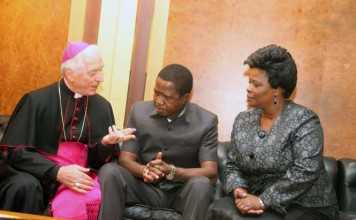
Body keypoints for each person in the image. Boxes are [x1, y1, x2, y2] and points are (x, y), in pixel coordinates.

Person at [0, 42, 135, 219]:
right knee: (24, 186)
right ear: (70, 74)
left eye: (101, 71)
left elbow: (97, 162)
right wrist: (57, 172)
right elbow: (16, 152)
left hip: (80, 175)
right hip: (37, 172)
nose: (100, 78)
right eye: (93, 73)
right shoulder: (36, 100)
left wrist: (105, 144)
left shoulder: (102, 107)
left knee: (90, 195)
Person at [207, 45, 338, 220]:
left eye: (256, 83)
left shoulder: (305, 120)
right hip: (260, 201)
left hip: (306, 204)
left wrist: (262, 201)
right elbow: (232, 164)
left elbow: (305, 171)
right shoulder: (242, 120)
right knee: (216, 208)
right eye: (249, 82)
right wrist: (238, 188)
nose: (249, 88)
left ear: (277, 90)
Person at [99, 64, 218, 220]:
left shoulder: (206, 121)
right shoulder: (139, 111)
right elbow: (125, 159)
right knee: (109, 171)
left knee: (201, 185)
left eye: (167, 97)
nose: (158, 100)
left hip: (180, 192)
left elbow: (210, 171)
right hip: (142, 187)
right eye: (156, 93)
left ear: (186, 97)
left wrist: (172, 172)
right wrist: (144, 171)